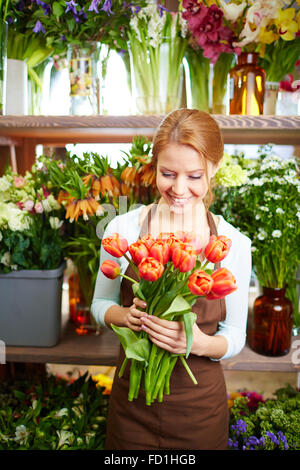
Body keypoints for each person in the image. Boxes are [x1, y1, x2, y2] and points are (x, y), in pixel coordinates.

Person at [91, 108, 252, 450]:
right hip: (131, 405)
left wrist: (197, 343)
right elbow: (100, 304)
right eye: (168, 173)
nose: (179, 188)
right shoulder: (123, 229)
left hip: (199, 409)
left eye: (194, 176)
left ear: (215, 168)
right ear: (154, 168)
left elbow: (235, 335)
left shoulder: (233, 243)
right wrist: (124, 316)